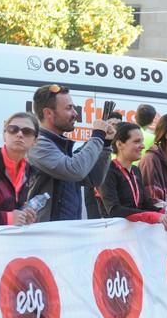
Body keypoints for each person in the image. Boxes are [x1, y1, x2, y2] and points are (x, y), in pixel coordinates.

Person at [26, 84, 114, 222]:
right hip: (46, 233)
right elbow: (75, 170)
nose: (75, 113)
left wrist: (106, 145)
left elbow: (92, 179)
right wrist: (97, 136)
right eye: (69, 108)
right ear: (48, 113)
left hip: (67, 230)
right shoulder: (38, 144)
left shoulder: (61, 144)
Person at [99, 123, 167, 231]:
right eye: (137, 141)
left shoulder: (135, 170)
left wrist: (165, 212)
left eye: (142, 141)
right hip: (113, 235)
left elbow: (145, 205)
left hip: (134, 234)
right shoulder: (107, 170)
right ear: (120, 144)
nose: (143, 146)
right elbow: (114, 210)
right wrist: (152, 216)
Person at [0, 112, 39, 226]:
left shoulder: (30, 172)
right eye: (13, 129)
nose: (19, 134)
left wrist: (25, 216)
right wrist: (7, 218)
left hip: (11, 241)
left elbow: (15, 211)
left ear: (35, 141)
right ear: (4, 135)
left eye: (27, 131)